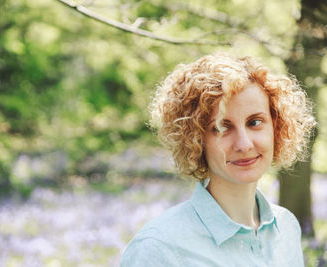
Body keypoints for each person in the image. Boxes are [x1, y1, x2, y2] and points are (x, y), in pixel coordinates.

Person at [120, 54, 316, 266]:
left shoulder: (286, 227)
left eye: (255, 122)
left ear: (276, 127)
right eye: (222, 127)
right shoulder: (159, 248)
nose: (244, 144)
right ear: (196, 139)